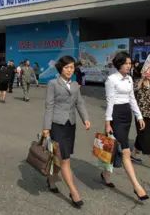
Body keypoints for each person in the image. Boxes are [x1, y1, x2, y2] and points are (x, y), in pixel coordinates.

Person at [43, 55, 90, 209]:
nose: (70, 70)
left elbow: (79, 103)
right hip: (57, 125)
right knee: (65, 159)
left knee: (61, 156)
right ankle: (74, 192)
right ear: (60, 68)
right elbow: (49, 105)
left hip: (71, 125)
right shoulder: (53, 84)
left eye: (72, 67)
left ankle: (51, 181)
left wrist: (86, 119)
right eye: (66, 67)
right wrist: (46, 127)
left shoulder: (76, 85)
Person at [102, 52, 149, 201]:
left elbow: (132, 98)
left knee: (113, 148)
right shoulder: (111, 79)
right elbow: (109, 101)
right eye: (126, 63)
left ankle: (105, 174)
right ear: (119, 64)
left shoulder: (129, 79)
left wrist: (139, 116)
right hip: (115, 115)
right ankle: (137, 187)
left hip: (126, 115)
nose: (129, 66)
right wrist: (108, 122)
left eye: (130, 63)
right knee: (125, 152)